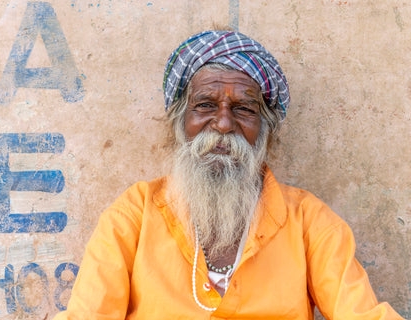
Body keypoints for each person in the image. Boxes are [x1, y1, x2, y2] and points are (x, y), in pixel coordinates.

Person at [54, 30, 405, 319]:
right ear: (180, 122)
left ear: (264, 129)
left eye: (243, 109)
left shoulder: (310, 222)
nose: (223, 124)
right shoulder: (134, 214)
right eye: (206, 105)